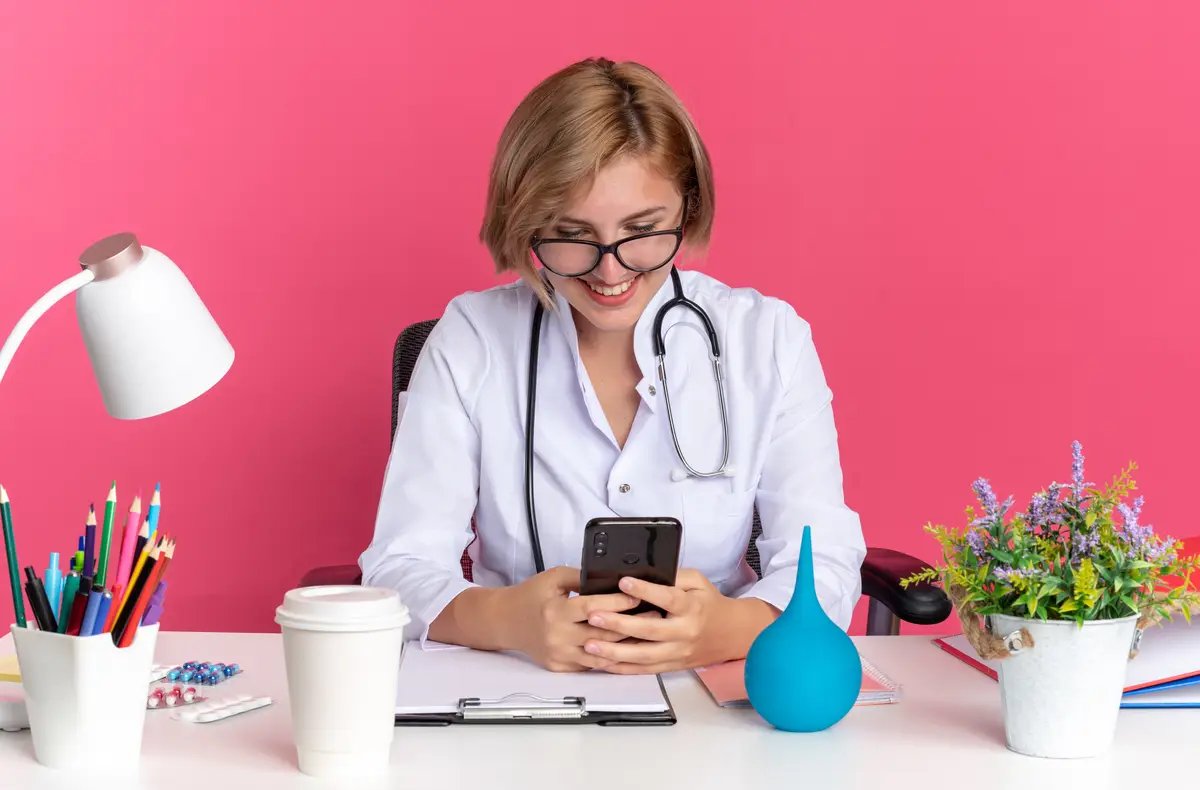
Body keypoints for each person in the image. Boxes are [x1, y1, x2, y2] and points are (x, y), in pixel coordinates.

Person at [361, 57, 865, 674]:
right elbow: (396, 569)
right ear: (527, 224)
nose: (610, 270)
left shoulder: (768, 342)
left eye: (643, 230)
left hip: (715, 692)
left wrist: (728, 627)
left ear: (688, 206)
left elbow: (826, 563)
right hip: (521, 690)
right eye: (572, 235)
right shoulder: (471, 340)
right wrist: (507, 621)